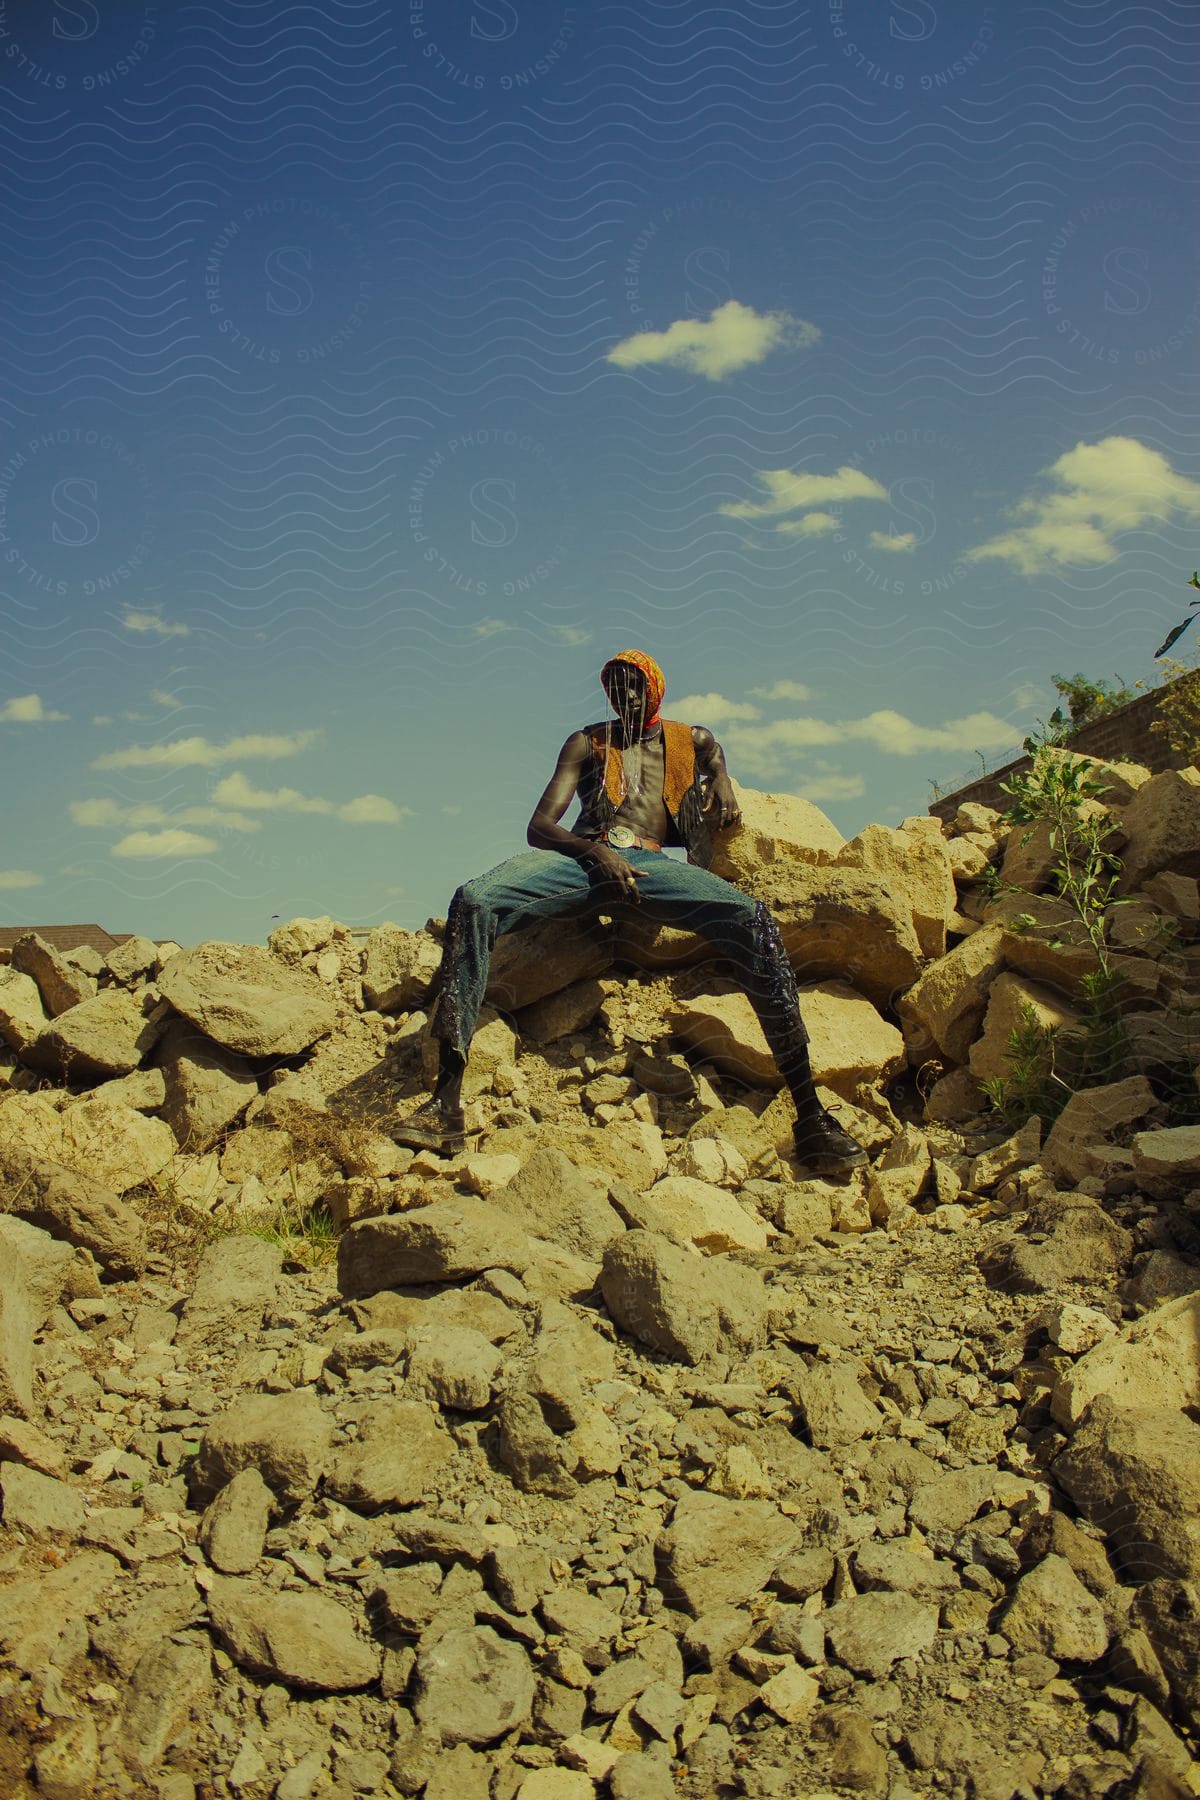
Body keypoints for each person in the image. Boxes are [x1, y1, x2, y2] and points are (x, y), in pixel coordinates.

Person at [392, 649, 867, 1175]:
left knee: (754, 919)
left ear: (656, 687)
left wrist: (723, 780)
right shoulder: (586, 741)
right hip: (585, 860)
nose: (626, 697)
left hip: (650, 865)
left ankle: (811, 1117)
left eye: (635, 685)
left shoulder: (691, 740)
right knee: (474, 900)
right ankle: (446, 1104)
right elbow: (539, 826)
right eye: (616, 689)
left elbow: (715, 756)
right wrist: (595, 852)